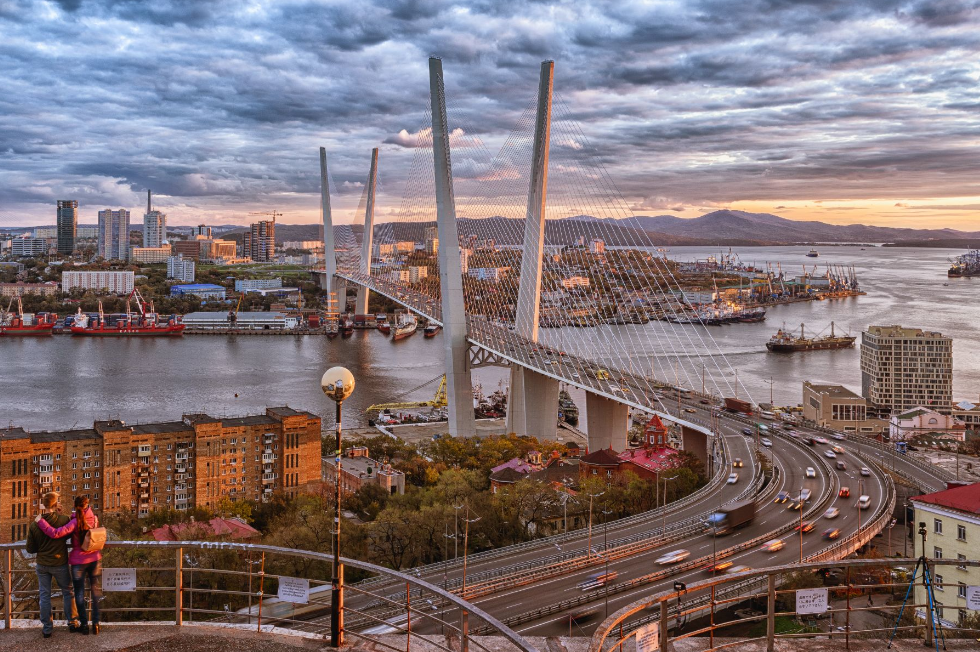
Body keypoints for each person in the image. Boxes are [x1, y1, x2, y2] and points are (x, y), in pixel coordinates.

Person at [35, 496, 102, 635]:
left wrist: (41, 521)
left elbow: (56, 533)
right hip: (94, 559)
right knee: (95, 592)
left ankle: (84, 625)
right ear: (88, 506)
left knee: (79, 594)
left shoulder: (74, 522)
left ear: (74, 505)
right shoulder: (94, 519)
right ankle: (95, 624)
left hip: (78, 562)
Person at [26, 492, 79, 638]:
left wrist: (42, 547)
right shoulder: (63, 519)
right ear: (56, 505)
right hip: (59, 563)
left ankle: (47, 628)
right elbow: (68, 535)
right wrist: (62, 515)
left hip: (42, 564)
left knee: (44, 595)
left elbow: (30, 549)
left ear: (43, 505)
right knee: (68, 592)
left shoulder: (34, 524)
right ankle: (73, 622)